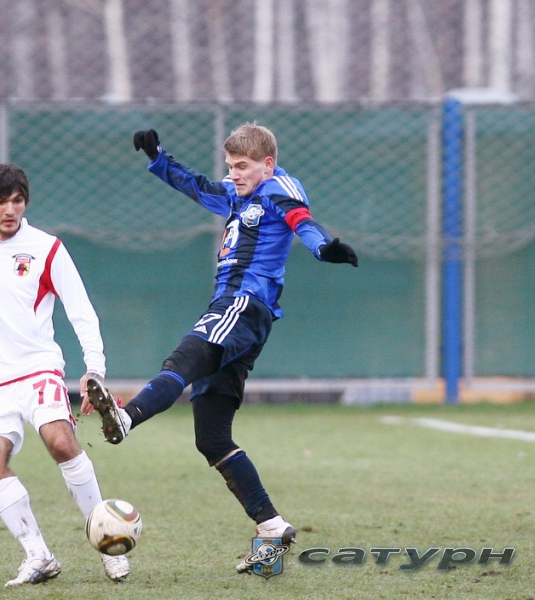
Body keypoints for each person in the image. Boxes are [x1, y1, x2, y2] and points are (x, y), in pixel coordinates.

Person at [81, 123, 358, 574]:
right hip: (236, 311)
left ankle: (126, 418)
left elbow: (300, 220)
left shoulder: (278, 188)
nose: (234, 174)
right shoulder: (236, 193)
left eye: (243, 166)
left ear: (268, 164)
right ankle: (272, 527)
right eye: (231, 166)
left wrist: (323, 247)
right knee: (211, 437)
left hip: (244, 304)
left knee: (184, 358)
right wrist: (158, 158)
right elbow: (198, 187)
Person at [0, 163, 130, 587]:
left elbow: (81, 310)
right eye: (0, 202)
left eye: (17, 200)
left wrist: (94, 369)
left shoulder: (47, 248)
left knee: (61, 441)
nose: (11, 210)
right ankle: (38, 555)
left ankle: (108, 542)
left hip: (37, 367)